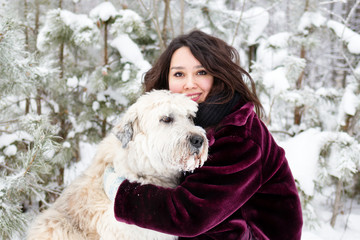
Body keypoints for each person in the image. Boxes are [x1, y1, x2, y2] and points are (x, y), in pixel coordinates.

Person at [103, 30, 303, 239]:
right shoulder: (188, 119)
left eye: (201, 73)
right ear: (167, 78)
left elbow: (191, 214)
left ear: (218, 76)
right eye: (179, 74)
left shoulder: (240, 134)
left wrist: (121, 194)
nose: (190, 83)